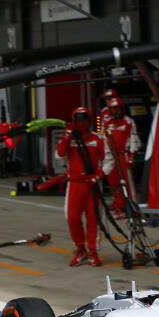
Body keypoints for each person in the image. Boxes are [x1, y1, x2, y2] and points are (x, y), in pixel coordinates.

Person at [56, 106, 110, 267]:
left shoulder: (98, 138)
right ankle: (81, 249)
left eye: (84, 119)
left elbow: (109, 162)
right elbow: (59, 155)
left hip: (92, 185)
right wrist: (67, 135)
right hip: (74, 185)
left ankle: (93, 251)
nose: (82, 122)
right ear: (74, 121)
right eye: (79, 120)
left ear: (89, 120)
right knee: (72, 218)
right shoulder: (69, 138)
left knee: (94, 220)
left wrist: (97, 176)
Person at [103, 97, 142, 218]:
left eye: (117, 109)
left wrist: (131, 156)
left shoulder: (128, 121)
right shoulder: (104, 120)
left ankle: (133, 207)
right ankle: (119, 208)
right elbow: (100, 137)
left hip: (123, 155)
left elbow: (134, 139)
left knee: (128, 183)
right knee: (114, 184)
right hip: (110, 157)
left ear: (122, 108)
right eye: (112, 109)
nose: (115, 111)